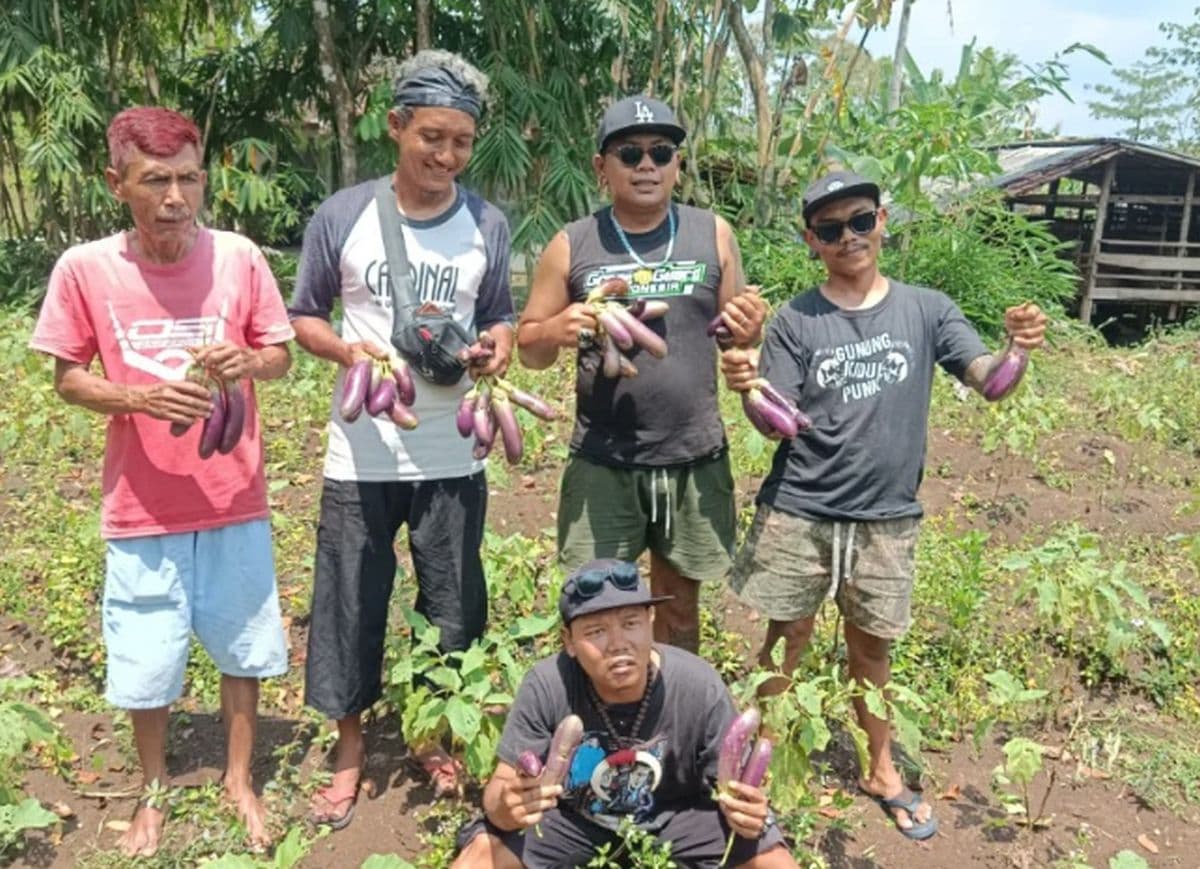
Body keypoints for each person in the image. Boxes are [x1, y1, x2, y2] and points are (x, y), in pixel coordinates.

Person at [721, 170, 1049, 840]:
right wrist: (746, 380)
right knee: (787, 639)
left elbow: (988, 383)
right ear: (812, 239)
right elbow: (772, 420)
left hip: (887, 517)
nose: (850, 238)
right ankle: (756, 769)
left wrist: (1016, 348)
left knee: (872, 649)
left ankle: (880, 768)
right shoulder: (795, 321)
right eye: (833, 229)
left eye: (861, 221)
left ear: (883, 222)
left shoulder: (927, 309)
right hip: (802, 508)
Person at [29, 106, 294, 856]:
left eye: (187, 178)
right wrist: (140, 397)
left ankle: (239, 777)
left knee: (244, 644)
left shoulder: (240, 258)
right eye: (155, 181)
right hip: (141, 505)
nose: (175, 197)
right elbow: (69, 378)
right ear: (118, 183)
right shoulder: (85, 269)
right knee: (146, 659)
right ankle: (152, 790)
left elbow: (278, 353)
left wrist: (250, 361)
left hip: (234, 496)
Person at [288, 50, 515, 823]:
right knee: (350, 599)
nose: (446, 156)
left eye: (460, 142)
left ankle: (431, 728)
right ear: (395, 127)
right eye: (431, 137)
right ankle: (349, 748)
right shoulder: (342, 215)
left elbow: (501, 315)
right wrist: (347, 350)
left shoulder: (487, 222)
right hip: (362, 451)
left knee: (452, 599)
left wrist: (501, 344)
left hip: (453, 449)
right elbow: (304, 317)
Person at [517, 95, 767, 654]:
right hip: (604, 461)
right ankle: (602, 727)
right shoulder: (571, 244)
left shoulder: (715, 234)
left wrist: (750, 331)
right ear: (601, 168)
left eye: (662, 151)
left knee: (678, 607)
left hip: (693, 456)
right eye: (630, 153)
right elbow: (528, 347)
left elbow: (735, 341)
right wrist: (560, 327)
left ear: (678, 163)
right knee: (598, 608)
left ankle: (672, 717)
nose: (647, 165)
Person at [452, 559, 798, 869]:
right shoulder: (548, 684)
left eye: (631, 623)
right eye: (596, 631)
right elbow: (498, 790)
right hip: (574, 821)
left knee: (774, 860)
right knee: (482, 855)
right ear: (568, 641)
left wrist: (748, 812)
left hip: (677, 818)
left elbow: (735, 789)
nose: (618, 643)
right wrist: (508, 806)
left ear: (651, 621)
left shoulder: (698, 685)